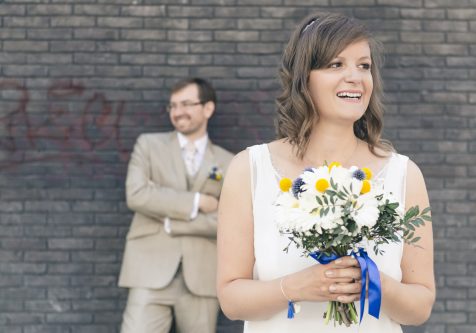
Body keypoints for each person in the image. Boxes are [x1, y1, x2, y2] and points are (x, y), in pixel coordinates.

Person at [217, 13, 435, 333]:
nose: (355, 77)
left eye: (364, 66)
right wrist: (296, 287)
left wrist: (371, 282)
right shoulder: (249, 169)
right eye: (336, 64)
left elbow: (420, 307)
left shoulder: (404, 174)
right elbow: (231, 299)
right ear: (304, 78)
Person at [119, 77, 234, 333]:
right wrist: (196, 202)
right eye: (172, 106)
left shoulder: (229, 162)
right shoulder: (148, 145)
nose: (177, 112)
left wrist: (171, 221)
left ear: (208, 109)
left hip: (203, 275)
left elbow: (229, 222)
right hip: (149, 270)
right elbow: (137, 195)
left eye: (186, 104)